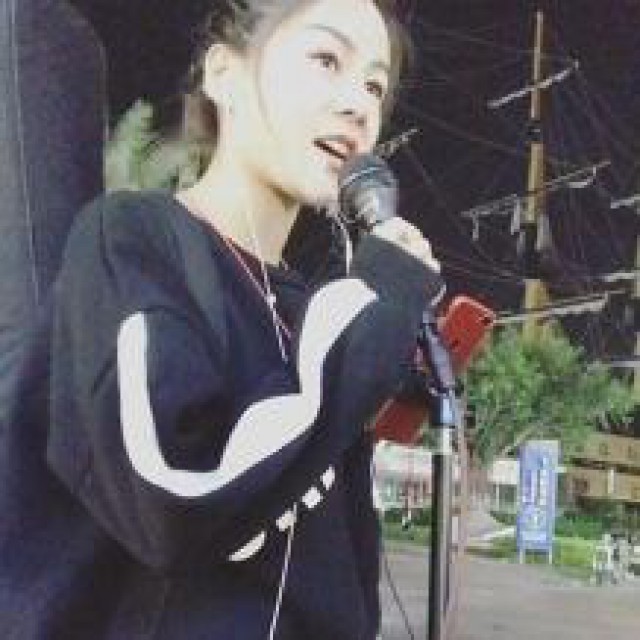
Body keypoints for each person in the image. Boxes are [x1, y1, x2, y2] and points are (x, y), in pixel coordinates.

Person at [0, 1, 441, 638]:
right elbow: (170, 494)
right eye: (327, 59)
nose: (358, 104)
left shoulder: (311, 314)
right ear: (224, 74)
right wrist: (366, 318)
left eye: (375, 85)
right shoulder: (133, 242)